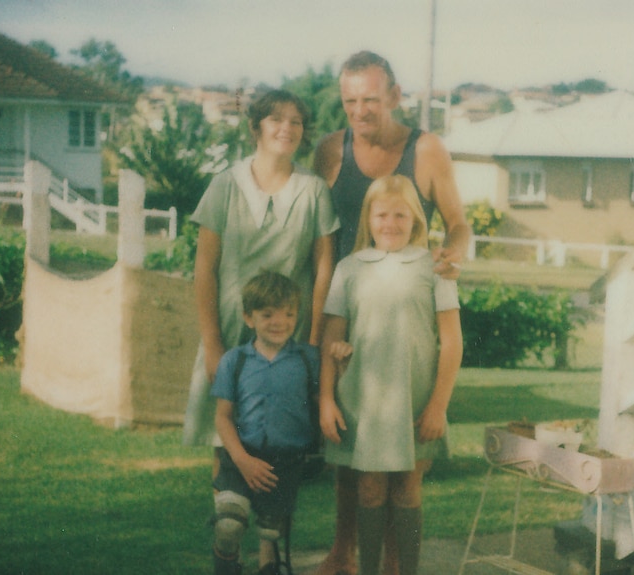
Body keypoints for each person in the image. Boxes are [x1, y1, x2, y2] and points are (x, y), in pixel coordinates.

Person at [312, 50, 470, 575]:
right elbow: (317, 235)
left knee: (403, 472)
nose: (359, 111)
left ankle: (398, 566)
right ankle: (343, 554)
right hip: (345, 312)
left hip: (406, 325)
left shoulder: (426, 150)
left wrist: (450, 257)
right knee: (348, 460)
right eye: (350, 101)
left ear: (396, 97)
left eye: (371, 101)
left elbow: (458, 223)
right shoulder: (331, 150)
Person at [319, 175, 463, 575]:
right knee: (368, 489)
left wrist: (438, 406)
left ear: (416, 219)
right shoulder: (350, 268)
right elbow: (332, 335)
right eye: (382, 214)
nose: (390, 223)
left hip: (415, 400)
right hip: (362, 399)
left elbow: (452, 343)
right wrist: (327, 398)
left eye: (401, 215)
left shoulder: (434, 268)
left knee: (407, 487)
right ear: (369, 217)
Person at [182, 88, 338, 448]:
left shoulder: (313, 190)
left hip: (289, 329)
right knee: (225, 432)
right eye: (276, 119)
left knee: (279, 435)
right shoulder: (225, 185)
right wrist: (212, 344)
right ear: (255, 128)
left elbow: (323, 271)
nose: (287, 128)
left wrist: (312, 343)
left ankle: (272, 504)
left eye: (296, 121)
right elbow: (204, 269)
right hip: (232, 325)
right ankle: (227, 503)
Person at [211, 271, 320, 575]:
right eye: (268, 314)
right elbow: (222, 417)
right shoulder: (235, 361)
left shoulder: (307, 359)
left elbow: (325, 399)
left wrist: (342, 359)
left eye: (288, 314)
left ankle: (269, 567)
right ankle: (226, 565)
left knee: (271, 534)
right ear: (249, 317)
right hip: (242, 456)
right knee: (229, 526)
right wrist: (242, 459)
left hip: (283, 464)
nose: (279, 322)